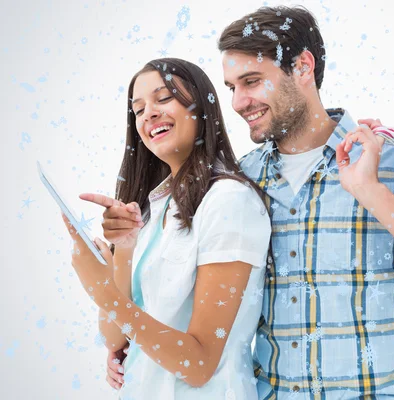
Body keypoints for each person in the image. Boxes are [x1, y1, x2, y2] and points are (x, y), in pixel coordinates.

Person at [106, 6, 394, 399]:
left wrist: (371, 193)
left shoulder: (387, 162)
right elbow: (203, 303)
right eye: (231, 87)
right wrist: (135, 351)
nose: (239, 102)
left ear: (303, 66)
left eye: (252, 81)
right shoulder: (240, 184)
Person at [61, 58, 271, 399]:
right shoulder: (155, 206)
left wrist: (100, 289)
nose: (148, 114)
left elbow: (200, 364)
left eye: (163, 98)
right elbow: (116, 339)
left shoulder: (229, 201)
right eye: (139, 109)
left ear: (202, 105)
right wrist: (124, 252)